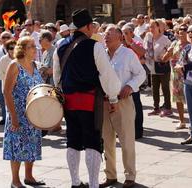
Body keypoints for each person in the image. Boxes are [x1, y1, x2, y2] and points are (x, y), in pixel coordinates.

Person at [53, 9, 121, 188]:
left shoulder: (60, 45)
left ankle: (75, 182)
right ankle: (92, 184)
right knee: (92, 140)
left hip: (68, 101)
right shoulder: (95, 46)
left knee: (73, 140)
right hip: (89, 100)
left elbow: (56, 77)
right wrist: (113, 97)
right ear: (89, 26)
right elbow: (106, 74)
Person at [100, 24, 145, 188]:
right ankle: (110, 175)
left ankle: (130, 176)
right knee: (107, 141)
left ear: (120, 37)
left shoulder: (127, 54)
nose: (106, 36)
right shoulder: (101, 55)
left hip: (123, 102)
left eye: (109, 33)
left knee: (126, 141)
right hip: (104, 103)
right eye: (104, 34)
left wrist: (130, 86)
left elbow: (141, 74)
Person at [3, 36, 45, 188]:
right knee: (17, 147)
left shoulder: (34, 65)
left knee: (32, 145)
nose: (35, 49)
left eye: (35, 46)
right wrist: (13, 117)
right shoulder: (15, 65)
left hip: (33, 116)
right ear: (23, 49)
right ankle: (15, 180)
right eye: (32, 46)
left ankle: (29, 176)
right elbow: (6, 92)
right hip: (18, 114)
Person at [162, 24, 189, 129]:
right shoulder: (174, 44)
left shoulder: (191, 45)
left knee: (191, 100)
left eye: (185, 29)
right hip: (175, 76)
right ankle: (182, 121)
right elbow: (164, 59)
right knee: (178, 99)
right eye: (179, 30)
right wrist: (168, 53)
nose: (181, 31)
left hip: (187, 76)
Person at [121, 24, 145, 139]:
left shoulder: (136, 43)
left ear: (131, 33)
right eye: (122, 33)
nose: (124, 35)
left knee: (136, 106)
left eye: (126, 33)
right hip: (122, 82)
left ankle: (138, 131)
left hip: (134, 81)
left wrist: (130, 43)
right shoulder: (120, 46)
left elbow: (142, 53)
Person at [145, 20, 173, 117]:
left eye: (153, 26)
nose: (151, 29)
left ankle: (168, 108)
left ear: (158, 28)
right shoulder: (149, 39)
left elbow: (171, 52)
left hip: (163, 66)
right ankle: (156, 108)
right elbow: (147, 51)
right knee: (155, 88)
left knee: (165, 88)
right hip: (152, 67)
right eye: (150, 27)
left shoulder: (165, 39)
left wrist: (165, 58)